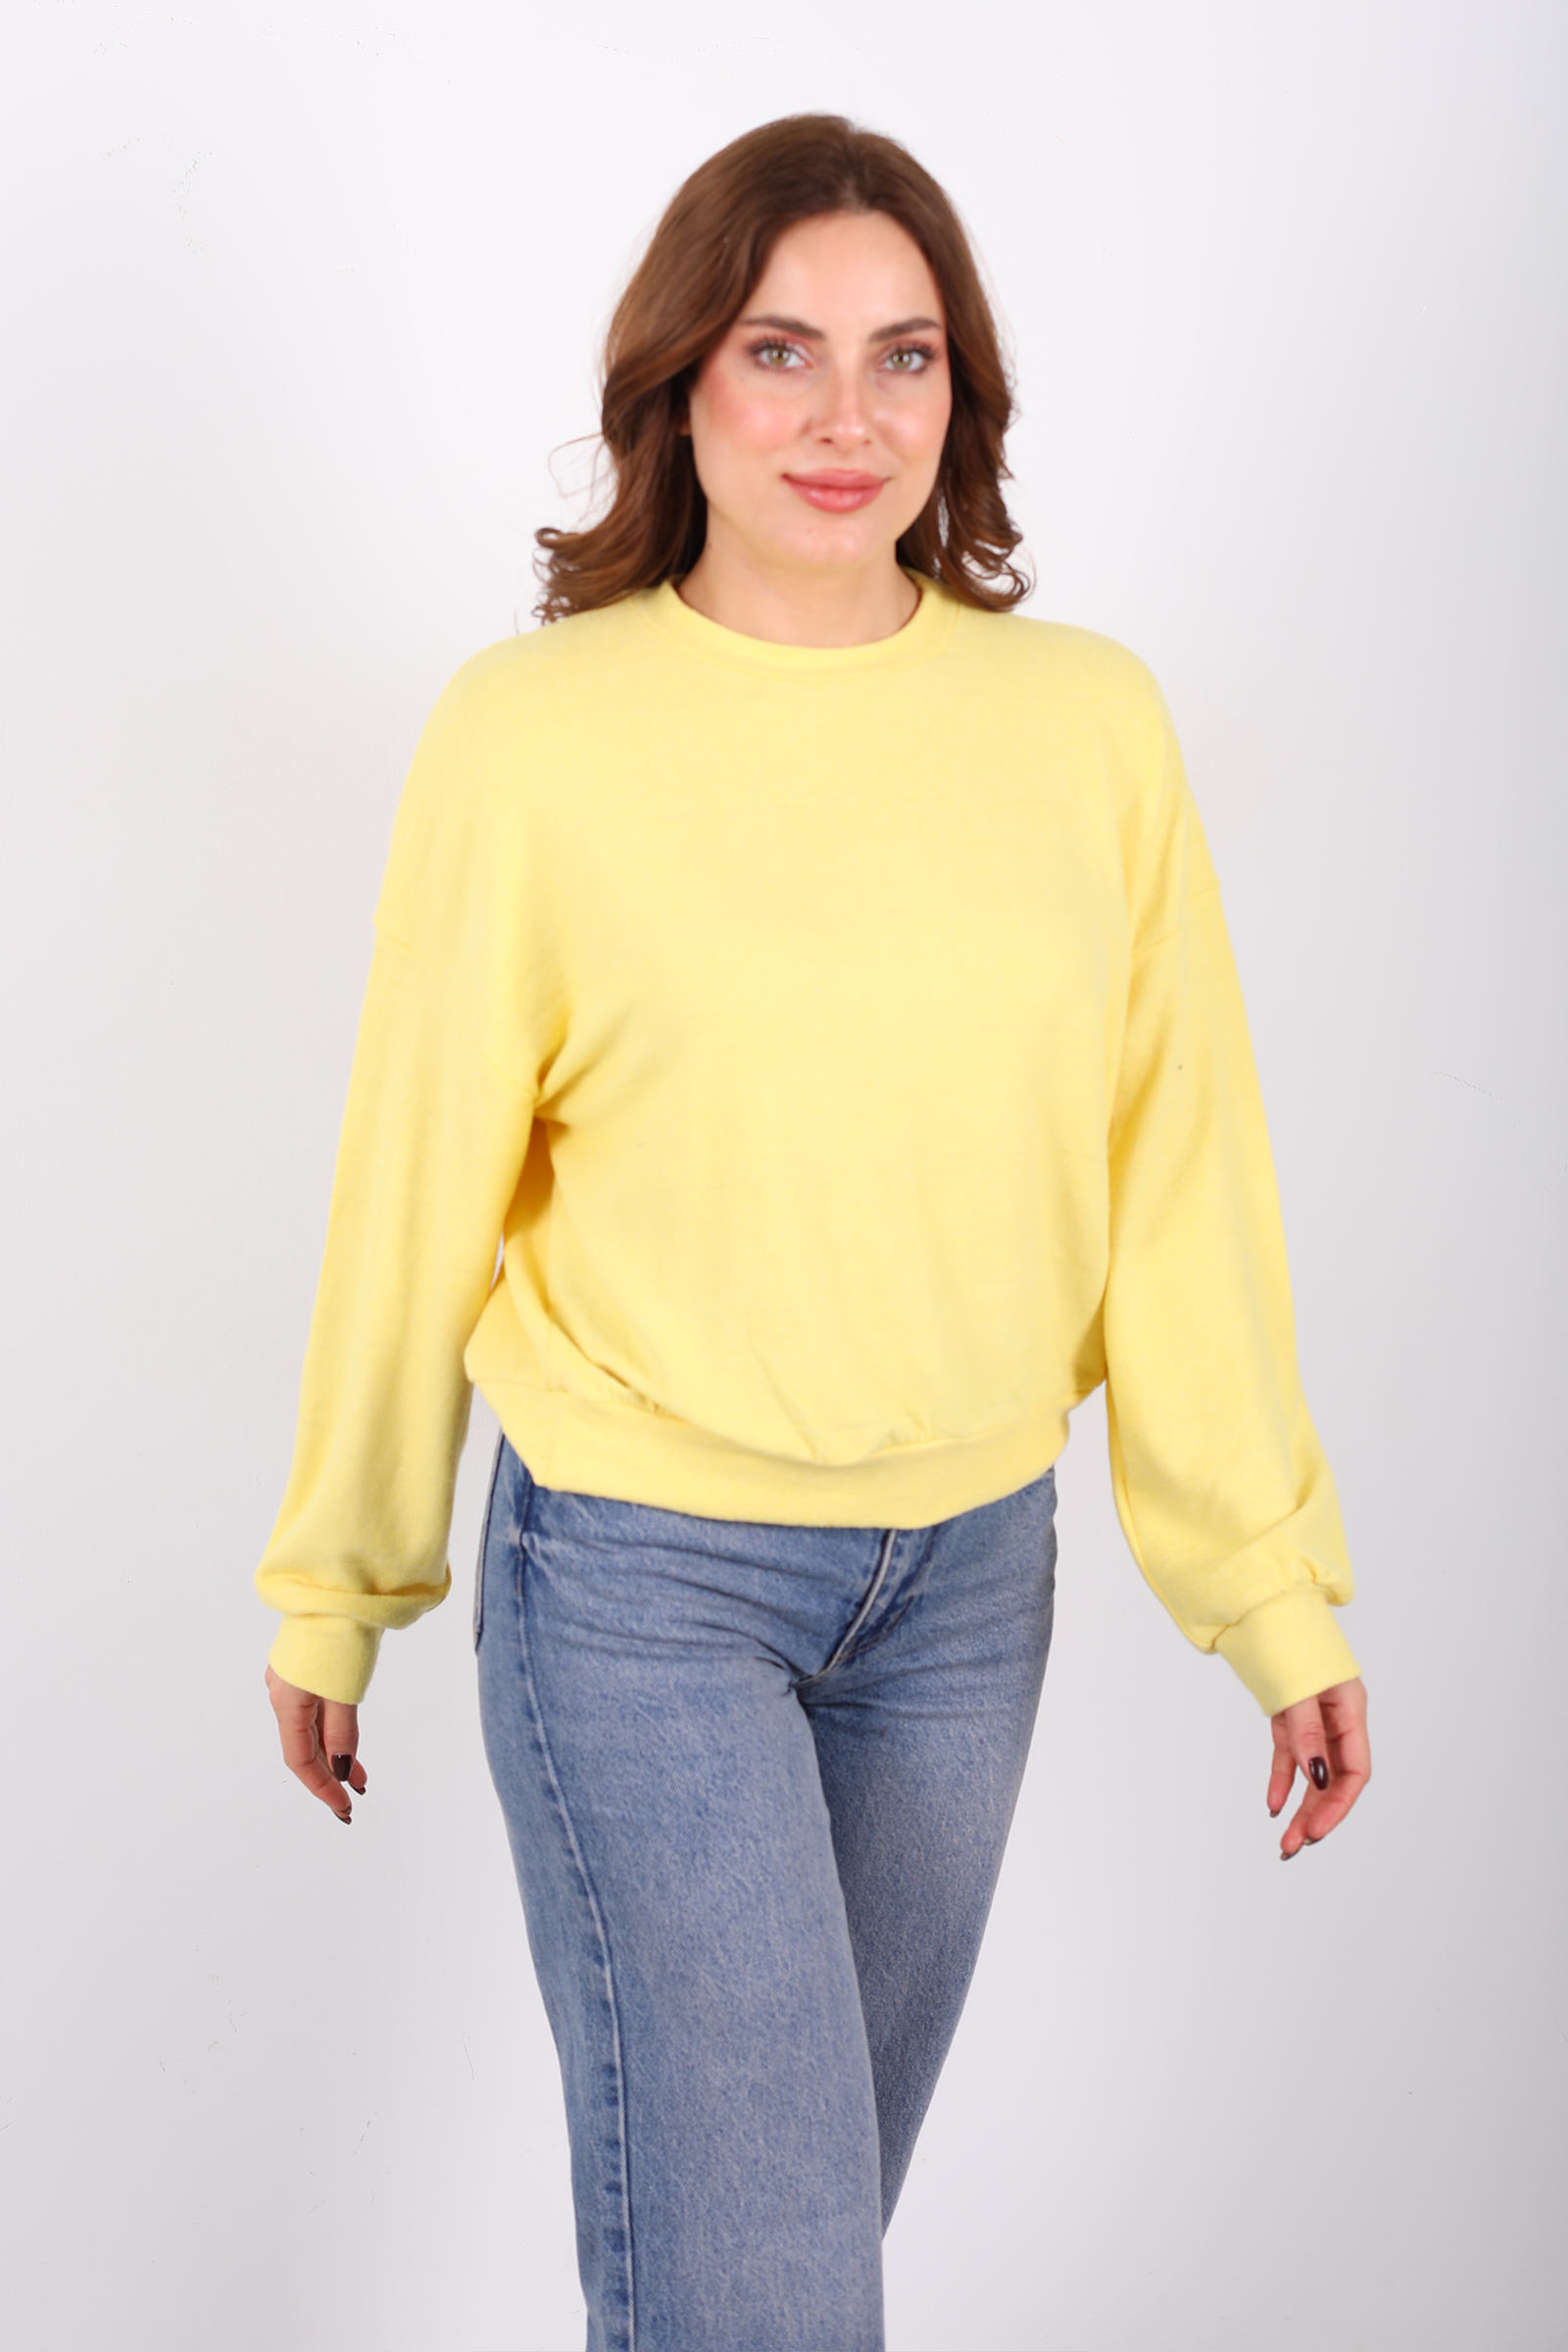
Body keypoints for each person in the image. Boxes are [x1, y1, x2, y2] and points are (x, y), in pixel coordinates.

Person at [257, 111, 1371, 2352]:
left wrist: (1266, 1589)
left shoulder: (1085, 726)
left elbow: (1176, 1171)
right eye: (778, 351)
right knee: (763, 2294)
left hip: (967, 1586)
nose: (844, 417)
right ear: (677, 381)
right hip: (640, 1582)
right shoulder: (534, 738)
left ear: (962, 396)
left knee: (765, 2267)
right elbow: (415, 1176)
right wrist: (340, 1577)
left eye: (902, 356)